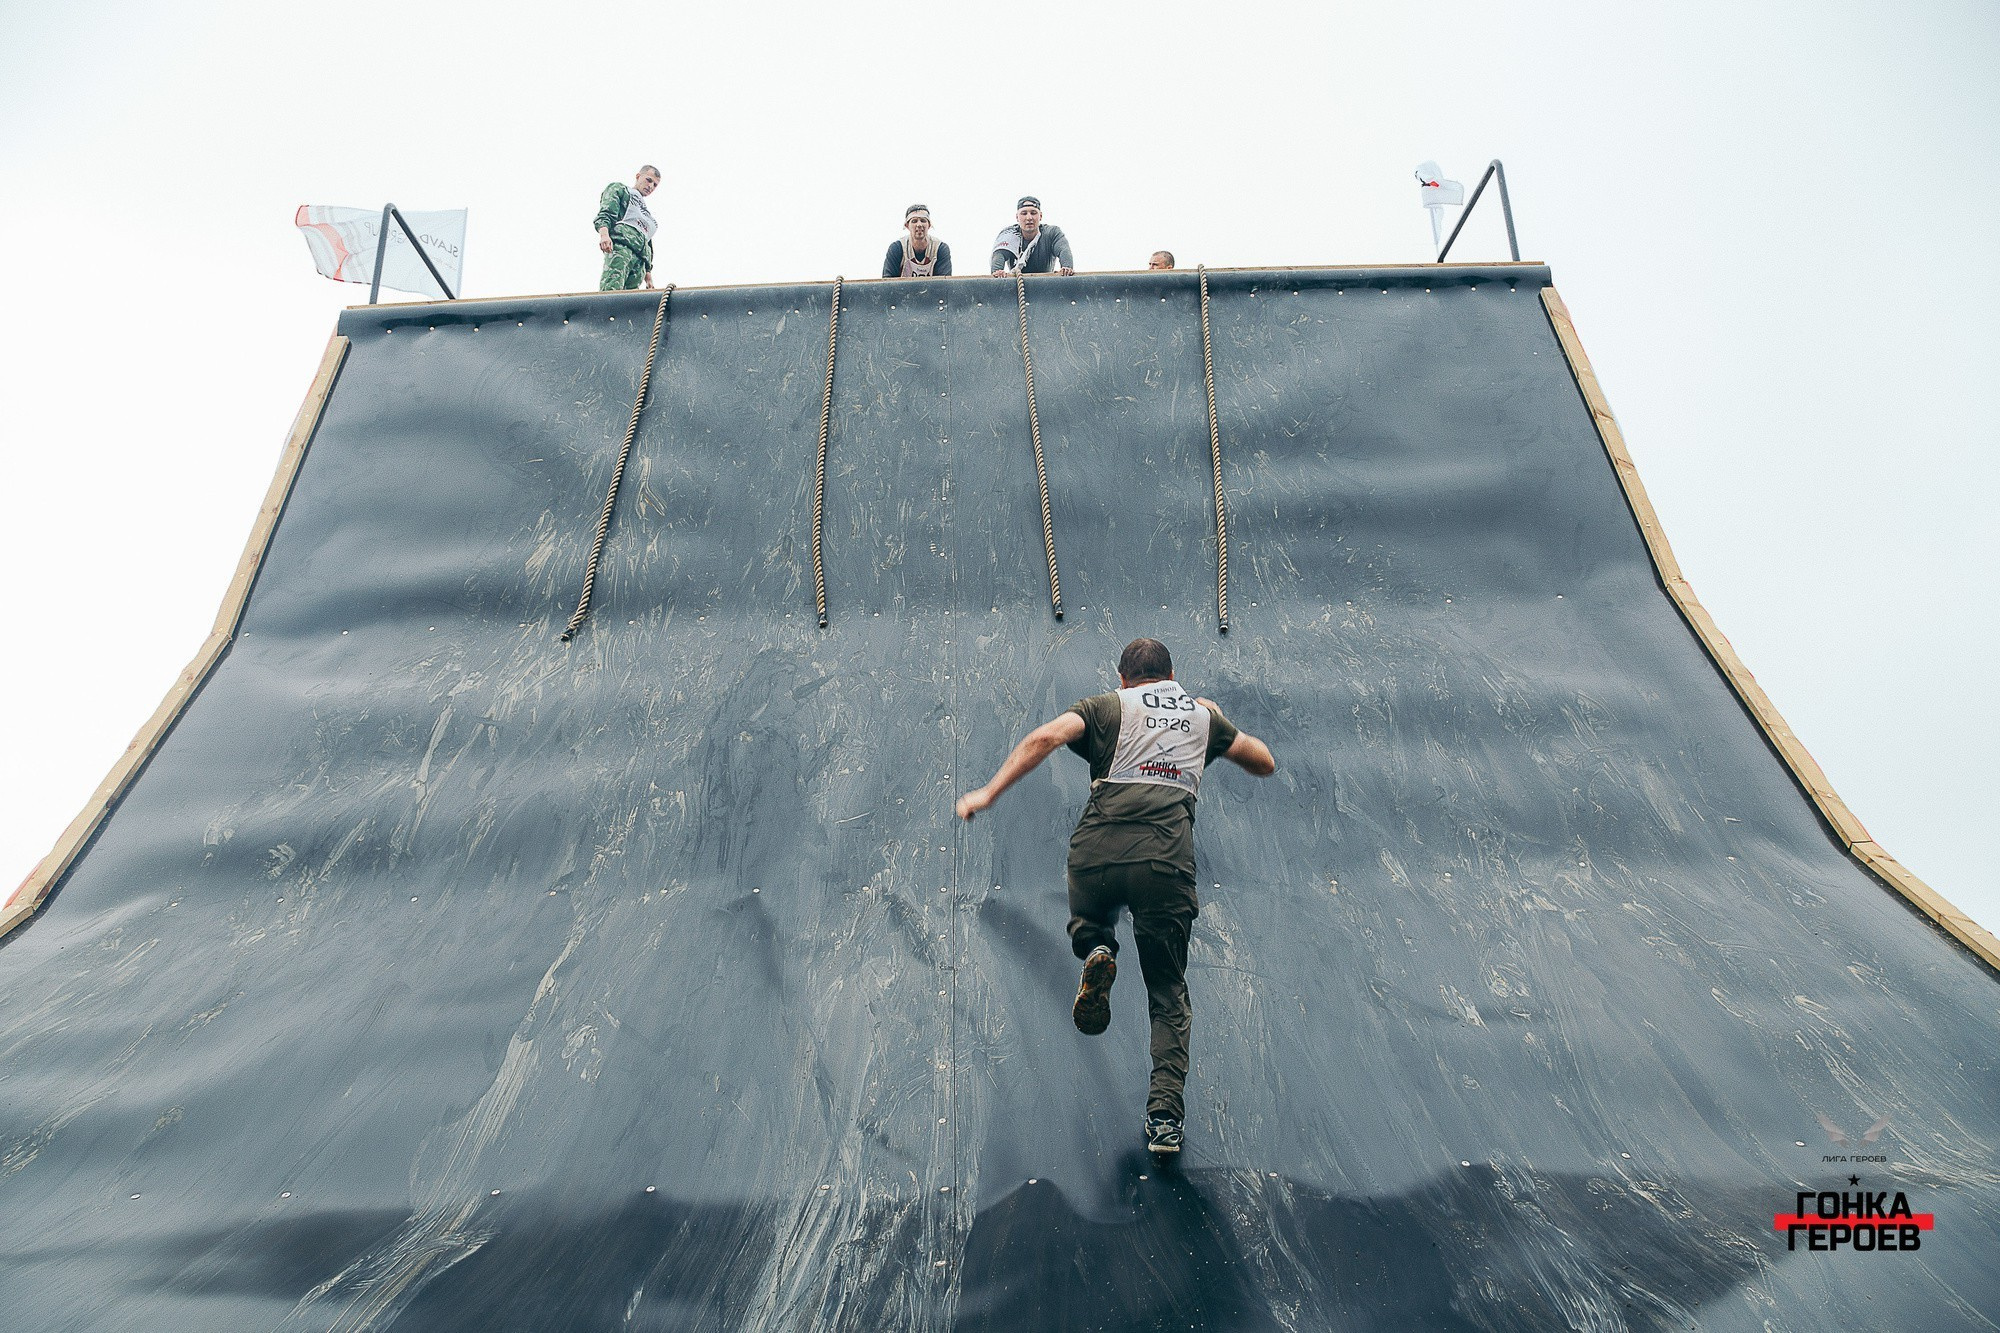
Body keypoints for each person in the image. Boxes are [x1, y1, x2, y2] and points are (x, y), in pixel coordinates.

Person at [955, 638, 1275, 1155]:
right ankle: (1164, 1120)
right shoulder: (1200, 716)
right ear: (1173, 676)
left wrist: (987, 794)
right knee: (1168, 993)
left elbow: (1046, 737)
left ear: (1123, 680)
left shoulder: (1106, 706)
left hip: (1097, 855)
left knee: (1088, 912)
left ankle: (1096, 945)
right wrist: (1213, 719)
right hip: (1165, 866)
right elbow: (1264, 762)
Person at [595, 165, 661, 291]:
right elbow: (606, 213)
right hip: (622, 248)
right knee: (612, 291)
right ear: (638, 176)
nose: (651, 186)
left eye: (655, 185)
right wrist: (604, 235)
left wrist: (648, 274)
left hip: (640, 261)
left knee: (630, 303)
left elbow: (647, 241)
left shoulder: (647, 215)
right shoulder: (622, 190)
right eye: (649, 180)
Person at [990, 196, 1075, 276]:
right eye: (1024, 213)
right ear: (1017, 217)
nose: (1029, 217)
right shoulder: (1008, 234)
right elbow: (999, 254)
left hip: (1045, 284)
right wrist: (997, 271)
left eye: (1033, 213)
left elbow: (1064, 250)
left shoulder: (1052, 233)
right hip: (1016, 283)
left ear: (1040, 216)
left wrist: (1067, 267)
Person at [882, 204, 953, 278]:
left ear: (929, 225)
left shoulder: (940, 248)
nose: (919, 225)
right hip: (901, 289)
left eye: (923, 220)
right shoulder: (897, 248)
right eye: (914, 221)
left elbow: (944, 283)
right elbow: (887, 282)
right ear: (907, 225)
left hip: (933, 289)